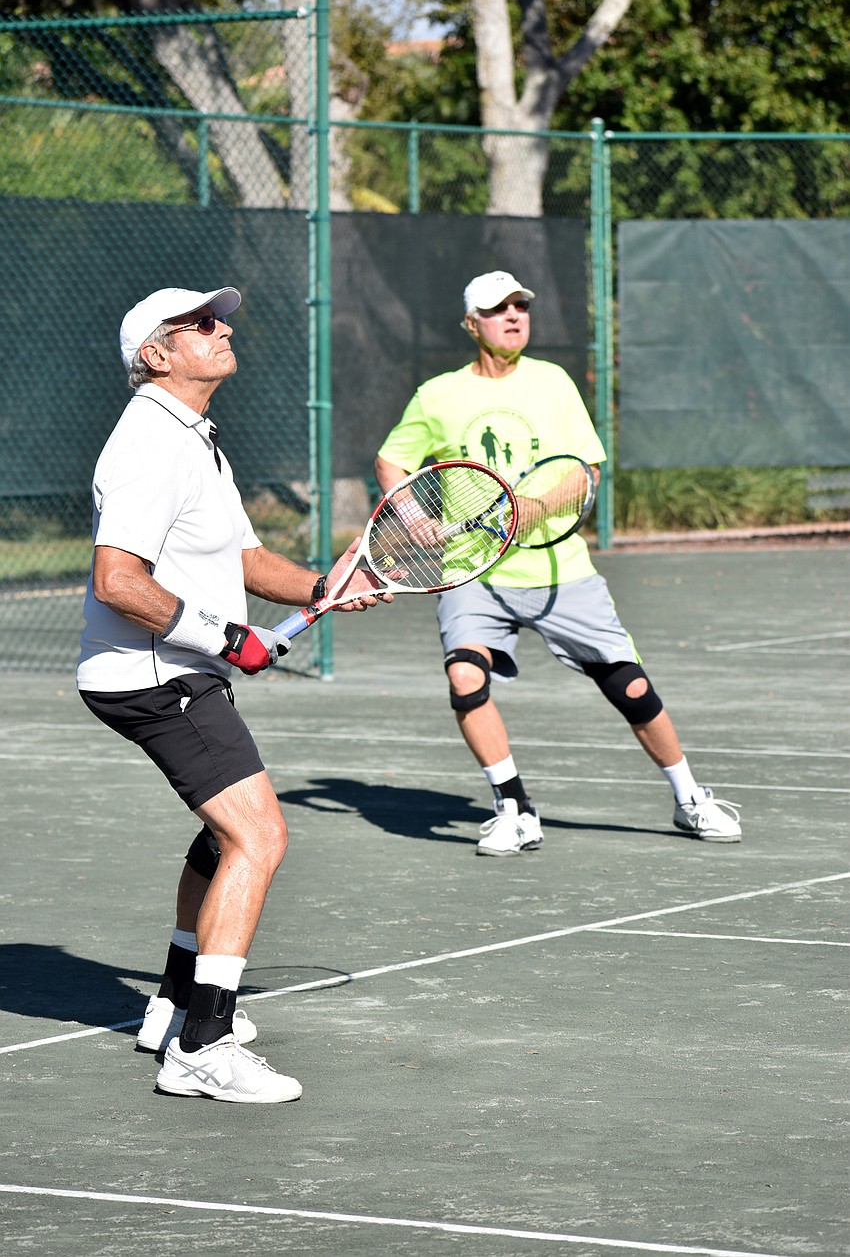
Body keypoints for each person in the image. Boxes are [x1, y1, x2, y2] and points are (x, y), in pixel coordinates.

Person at [77, 285, 391, 1103]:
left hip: (170, 668)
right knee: (260, 836)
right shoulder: (149, 442)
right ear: (157, 355)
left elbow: (246, 560)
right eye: (198, 324)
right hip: (156, 675)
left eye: (219, 318)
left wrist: (324, 585)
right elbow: (119, 580)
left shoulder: (195, 436)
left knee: (222, 836)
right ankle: (202, 1045)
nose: (220, 329)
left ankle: (176, 1003)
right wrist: (225, 638)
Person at [374, 270, 741, 857]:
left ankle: (690, 799)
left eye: (521, 305)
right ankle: (513, 807)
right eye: (498, 309)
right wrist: (415, 518)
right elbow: (392, 461)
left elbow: (583, 473)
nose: (515, 316)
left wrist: (537, 507)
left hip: (560, 572)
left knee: (633, 687)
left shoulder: (553, 383)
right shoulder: (437, 396)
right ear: (472, 325)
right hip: (474, 574)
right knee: (465, 678)